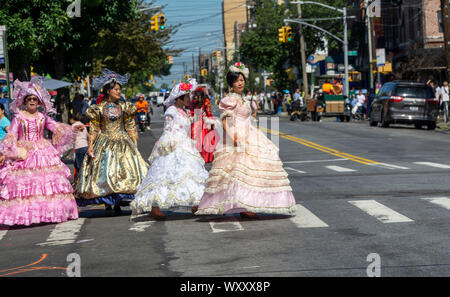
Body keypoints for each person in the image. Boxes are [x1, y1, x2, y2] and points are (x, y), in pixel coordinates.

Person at [195, 62, 296, 218]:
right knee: (236, 173)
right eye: (237, 80)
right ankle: (240, 206)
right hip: (236, 136)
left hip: (250, 134)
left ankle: (247, 203)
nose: (240, 83)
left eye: (242, 80)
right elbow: (225, 121)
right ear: (231, 83)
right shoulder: (229, 99)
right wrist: (232, 138)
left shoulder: (243, 99)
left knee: (251, 171)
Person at [0, 78, 81, 226]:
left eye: (34, 99)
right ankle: (27, 215)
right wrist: (5, 153)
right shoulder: (19, 117)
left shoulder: (42, 117)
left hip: (44, 151)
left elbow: (56, 127)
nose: (32, 101)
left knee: (47, 184)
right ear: (24, 101)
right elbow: (11, 135)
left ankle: (47, 213)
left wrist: (74, 128)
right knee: (26, 185)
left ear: (39, 102)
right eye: (29, 98)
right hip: (25, 153)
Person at [130, 79, 209, 220]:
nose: (189, 98)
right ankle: (154, 207)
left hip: (185, 145)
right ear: (179, 98)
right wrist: (170, 143)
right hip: (173, 146)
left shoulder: (184, 111)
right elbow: (167, 130)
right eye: (187, 96)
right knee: (165, 176)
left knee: (190, 174)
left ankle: (196, 204)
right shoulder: (172, 110)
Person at [74, 69, 149, 216]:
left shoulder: (124, 107)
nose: (118, 91)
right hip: (105, 142)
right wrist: (90, 146)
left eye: (119, 89)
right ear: (108, 91)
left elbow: (130, 126)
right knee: (105, 173)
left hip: (123, 142)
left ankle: (118, 203)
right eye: (116, 89)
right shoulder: (99, 108)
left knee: (123, 172)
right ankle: (108, 204)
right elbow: (94, 129)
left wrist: (135, 145)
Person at [190, 87, 220, 163]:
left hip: (204, 122)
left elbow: (208, 113)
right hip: (197, 122)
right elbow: (193, 112)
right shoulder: (194, 102)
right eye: (195, 96)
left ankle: (205, 156)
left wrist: (209, 123)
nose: (195, 97)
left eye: (196, 96)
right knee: (195, 139)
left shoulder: (206, 102)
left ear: (200, 96)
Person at [69, 113, 88, 181]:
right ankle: (82, 181)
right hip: (85, 146)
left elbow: (72, 137)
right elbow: (87, 136)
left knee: (79, 167)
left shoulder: (74, 126)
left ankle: (81, 182)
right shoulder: (83, 125)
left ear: (72, 119)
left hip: (79, 147)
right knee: (84, 165)